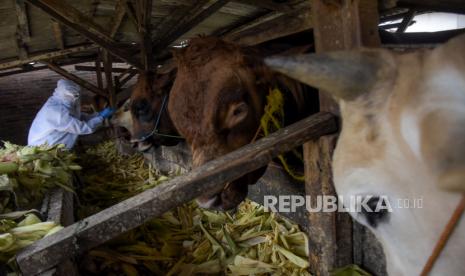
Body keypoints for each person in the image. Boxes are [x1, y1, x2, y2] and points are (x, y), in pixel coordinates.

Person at [28, 79, 115, 149]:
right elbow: (83, 128)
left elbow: (76, 118)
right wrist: (101, 117)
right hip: (44, 147)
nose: (76, 99)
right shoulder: (56, 112)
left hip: (51, 138)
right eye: (74, 96)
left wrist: (97, 115)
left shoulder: (59, 100)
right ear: (66, 95)